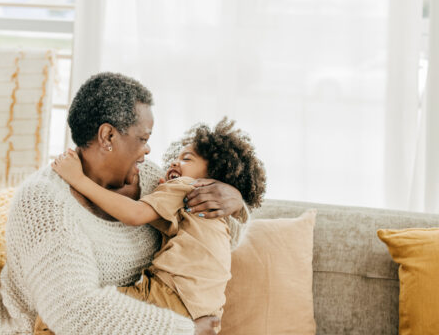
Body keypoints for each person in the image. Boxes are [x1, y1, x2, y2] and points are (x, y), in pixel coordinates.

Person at [0, 73, 245, 335]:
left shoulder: (149, 178)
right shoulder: (43, 203)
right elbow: (73, 312)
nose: (148, 150)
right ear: (108, 136)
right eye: (143, 139)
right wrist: (185, 330)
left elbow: (205, 245)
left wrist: (231, 202)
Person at [35, 118, 267, 334]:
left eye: (187, 158)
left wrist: (78, 179)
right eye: (177, 156)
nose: (176, 161)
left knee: (59, 310)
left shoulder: (188, 186)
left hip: (169, 295)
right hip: (206, 310)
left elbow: (134, 214)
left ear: (214, 175)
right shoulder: (217, 214)